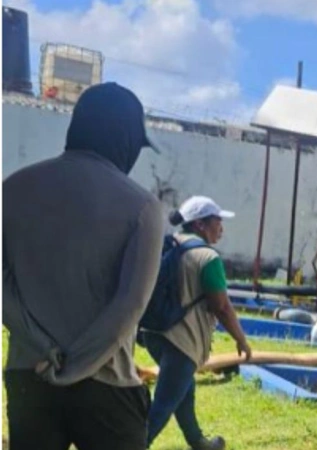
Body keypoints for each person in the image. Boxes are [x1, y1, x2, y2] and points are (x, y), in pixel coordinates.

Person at [3, 82, 164, 449]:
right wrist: (75, 367)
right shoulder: (142, 207)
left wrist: (43, 346)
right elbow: (130, 305)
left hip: (30, 378)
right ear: (125, 139)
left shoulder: (12, 190)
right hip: (107, 384)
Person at [141, 195, 252, 450]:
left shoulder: (167, 244)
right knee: (164, 404)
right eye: (217, 221)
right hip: (182, 340)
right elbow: (222, 307)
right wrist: (241, 340)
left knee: (184, 388)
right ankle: (136, 444)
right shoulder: (207, 257)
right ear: (200, 224)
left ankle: (199, 442)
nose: (221, 227)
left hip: (153, 332)